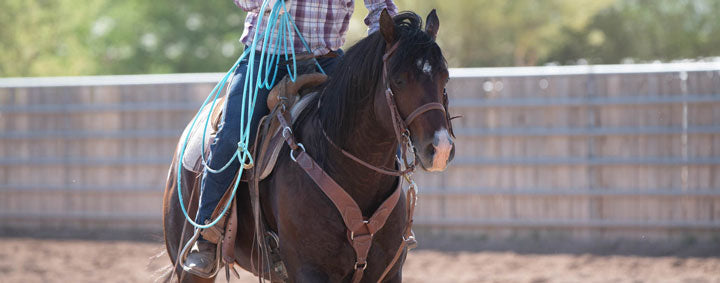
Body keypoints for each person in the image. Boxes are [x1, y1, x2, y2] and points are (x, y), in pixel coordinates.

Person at [185, 0, 398, 276]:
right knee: (233, 136)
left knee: (376, 125)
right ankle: (207, 235)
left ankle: (394, 229)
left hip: (327, 61)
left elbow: (381, 7)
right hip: (264, 60)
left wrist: (377, 50)